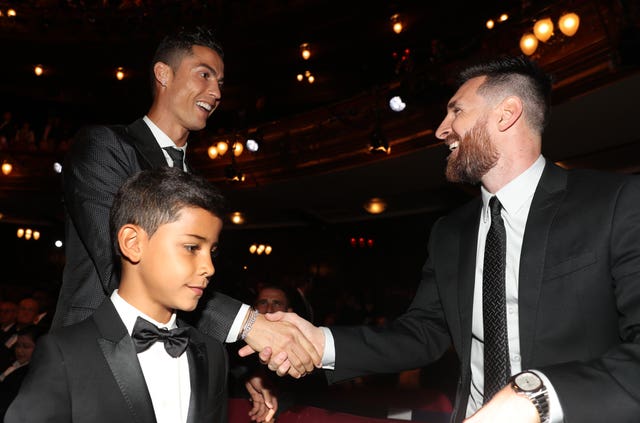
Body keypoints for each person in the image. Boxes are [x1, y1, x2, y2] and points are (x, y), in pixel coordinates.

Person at [256, 56, 640, 422]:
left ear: (506, 114)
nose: (441, 129)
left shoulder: (616, 202)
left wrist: (537, 397)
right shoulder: (450, 232)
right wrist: (322, 343)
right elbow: (422, 333)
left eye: (456, 111)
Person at [51, 25, 319, 379]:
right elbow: (121, 265)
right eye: (204, 75)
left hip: (169, 369)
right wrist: (249, 323)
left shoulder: (197, 183)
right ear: (163, 73)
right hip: (93, 357)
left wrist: (245, 373)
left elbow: (195, 289)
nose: (216, 92)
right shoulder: (105, 147)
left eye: (221, 83)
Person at [6, 167, 228, 422]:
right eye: (191, 247)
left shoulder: (213, 354)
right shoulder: (65, 353)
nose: (209, 267)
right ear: (133, 243)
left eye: (213, 251)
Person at [0, 325, 43, 420]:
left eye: (26, 346)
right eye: (17, 345)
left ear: (40, 348)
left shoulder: (30, 373)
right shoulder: (12, 362)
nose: (19, 350)